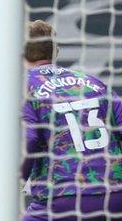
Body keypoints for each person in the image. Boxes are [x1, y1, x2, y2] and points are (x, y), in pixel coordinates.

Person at [21, 20, 122, 220]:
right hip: (116, 195)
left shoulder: (25, 87)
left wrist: (20, 176)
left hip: (62, 197)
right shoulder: (94, 83)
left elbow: (29, 140)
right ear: (55, 51)